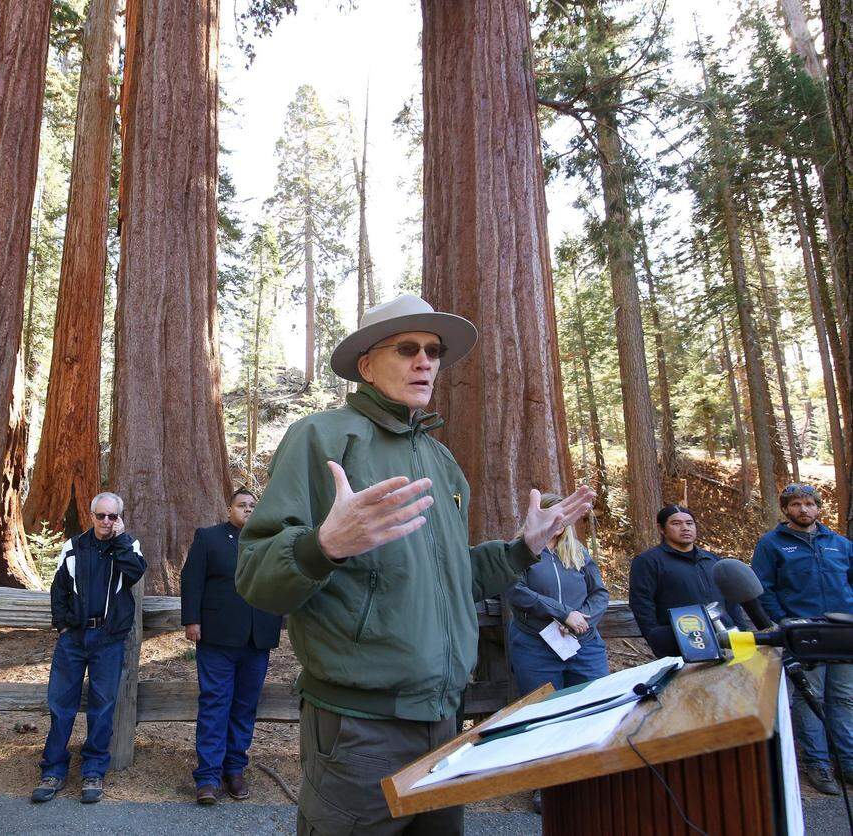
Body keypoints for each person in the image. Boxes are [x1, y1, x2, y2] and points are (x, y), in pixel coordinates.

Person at [235, 294, 595, 835]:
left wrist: (524, 549)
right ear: (366, 365)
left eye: (433, 350)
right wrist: (324, 545)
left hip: (445, 720)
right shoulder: (324, 437)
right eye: (407, 348)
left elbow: (455, 580)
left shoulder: (441, 461)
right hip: (358, 731)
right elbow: (256, 576)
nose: (425, 361)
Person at [31, 492, 146, 805]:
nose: (106, 522)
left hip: (107, 640)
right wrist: (64, 626)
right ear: (91, 515)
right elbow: (59, 589)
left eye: (112, 517)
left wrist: (120, 539)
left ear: (119, 518)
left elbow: (134, 572)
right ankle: (53, 770)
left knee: (103, 706)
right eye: (101, 516)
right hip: (74, 639)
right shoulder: (74, 546)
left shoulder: (128, 546)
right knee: (60, 704)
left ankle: (94, 770)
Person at [181, 488, 284, 805]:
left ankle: (235, 770)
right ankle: (208, 777)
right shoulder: (209, 538)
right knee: (215, 704)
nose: (249, 510)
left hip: (258, 639)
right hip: (218, 638)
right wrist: (192, 620)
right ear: (229, 510)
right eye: (242, 505)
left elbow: (280, 580)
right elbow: (191, 580)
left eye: (254, 506)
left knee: (244, 706)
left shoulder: (270, 542)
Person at [752, 483, 853, 796]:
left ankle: (847, 760)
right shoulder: (772, 544)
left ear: (818, 507)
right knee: (810, 697)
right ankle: (817, 762)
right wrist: (784, 621)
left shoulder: (840, 543)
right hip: (803, 631)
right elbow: (762, 587)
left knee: (844, 698)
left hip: (843, 631)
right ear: (786, 509)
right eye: (796, 504)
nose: (804, 510)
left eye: (809, 504)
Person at [506, 492, 610, 696]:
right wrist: (564, 614)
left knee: (594, 704)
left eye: (564, 515)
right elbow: (516, 591)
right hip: (536, 645)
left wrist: (580, 620)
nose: (559, 520)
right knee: (544, 712)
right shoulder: (518, 551)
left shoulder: (577, 551)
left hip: (584, 645)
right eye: (553, 515)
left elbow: (599, 593)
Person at [628, 504, 748, 659]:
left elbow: (731, 601)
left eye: (689, 523)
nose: (685, 528)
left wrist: (742, 632)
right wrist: (657, 639)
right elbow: (642, 604)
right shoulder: (648, 561)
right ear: (661, 529)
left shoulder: (712, 560)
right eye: (676, 523)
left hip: (727, 637)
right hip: (683, 643)